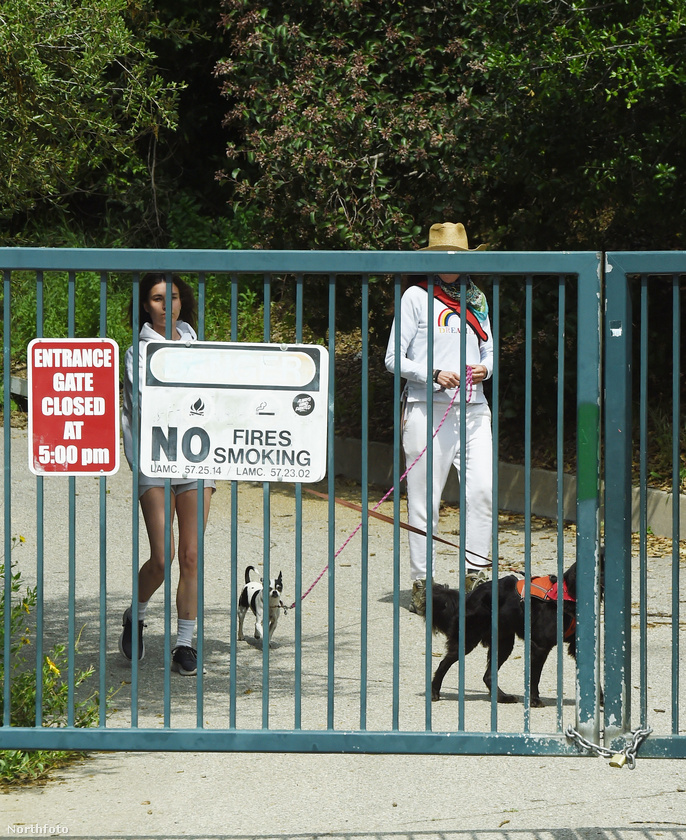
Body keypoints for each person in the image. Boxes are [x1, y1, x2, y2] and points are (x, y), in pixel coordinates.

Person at [385, 222, 494, 615]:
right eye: (443, 254)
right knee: (424, 501)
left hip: (475, 407)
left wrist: (485, 370)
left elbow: (489, 352)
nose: (451, 262)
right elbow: (393, 358)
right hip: (426, 409)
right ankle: (423, 583)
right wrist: (432, 373)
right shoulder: (415, 296)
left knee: (481, 491)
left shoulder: (476, 297)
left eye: (458, 256)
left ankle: (476, 577)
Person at [120, 273, 215, 675]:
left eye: (172, 298)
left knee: (191, 555)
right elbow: (148, 401)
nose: (166, 306)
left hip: (198, 458)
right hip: (154, 458)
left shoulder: (203, 347)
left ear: (182, 302)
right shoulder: (135, 353)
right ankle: (135, 615)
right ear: (145, 306)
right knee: (163, 557)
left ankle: (184, 644)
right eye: (157, 299)